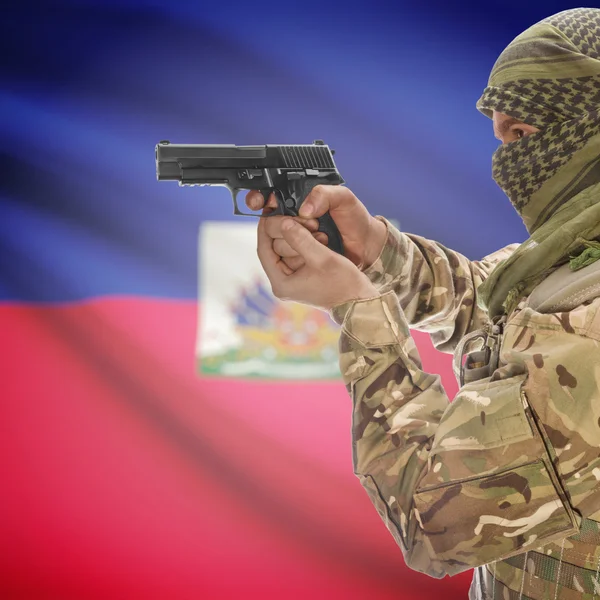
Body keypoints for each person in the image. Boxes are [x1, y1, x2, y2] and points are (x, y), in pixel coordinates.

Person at [246, 8, 600, 599]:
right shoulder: (576, 256)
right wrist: (378, 250)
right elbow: (498, 307)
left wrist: (358, 309)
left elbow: (433, 521)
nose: (505, 163)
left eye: (522, 135)